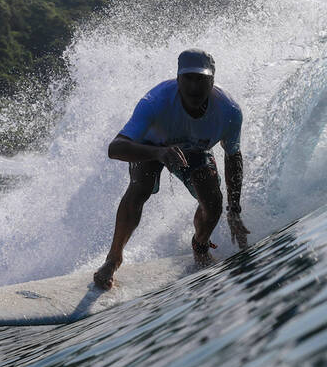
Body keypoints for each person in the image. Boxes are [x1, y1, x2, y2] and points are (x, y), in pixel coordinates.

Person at [94, 49, 249, 290]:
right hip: (151, 147)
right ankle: (113, 259)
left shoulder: (229, 111)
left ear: (213, 80)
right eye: (188, 78)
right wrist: (158, 153)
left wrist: (235, 208)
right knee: (140, 188)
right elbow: (115, 148)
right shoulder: (155, 103)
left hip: (195, 151)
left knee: (214, 203)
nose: (194, 87)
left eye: (201, 80)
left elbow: (233, 156)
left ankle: (200, 246)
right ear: (178, 79)